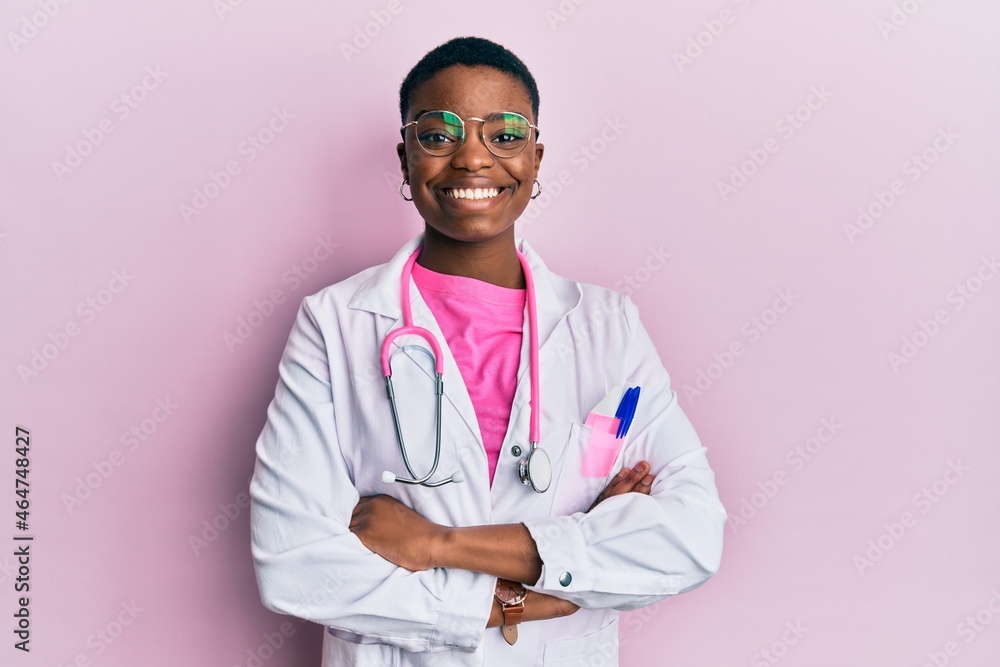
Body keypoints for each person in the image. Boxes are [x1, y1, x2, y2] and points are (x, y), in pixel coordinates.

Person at [249, 36, 726, 666]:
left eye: (504, 135)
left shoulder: (608, 326)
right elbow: (294, 562)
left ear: (535, 157)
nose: (472, 158)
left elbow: (691, 537)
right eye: (438, 134)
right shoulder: (336, 322)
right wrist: (533, 593)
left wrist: (436, 543)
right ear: (405, 158)